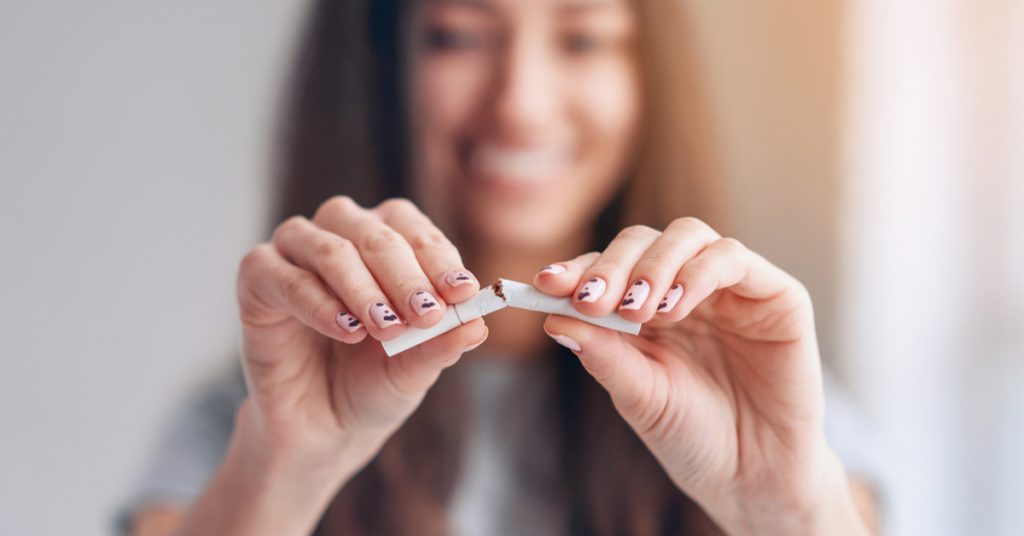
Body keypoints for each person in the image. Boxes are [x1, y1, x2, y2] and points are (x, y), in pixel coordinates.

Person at [121, 0, 881, 534]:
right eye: (457, 36)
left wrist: (783, 513)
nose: (521, 103)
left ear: (647, 78)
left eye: (583, 39)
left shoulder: (776, 407)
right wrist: (287, 468)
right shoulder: (247, 420)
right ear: (378, 68)